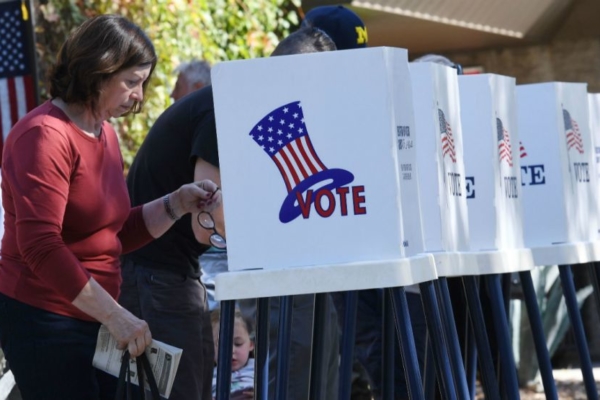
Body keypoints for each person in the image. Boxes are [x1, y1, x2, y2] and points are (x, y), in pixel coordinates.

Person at [0, 14, 221, 400]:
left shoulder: (104, 132)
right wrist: (116, 316)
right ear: (97, 70)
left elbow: (112, 233)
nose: (139, 95)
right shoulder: (44, 135)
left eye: (143, 83)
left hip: (95, 319)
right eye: (131, 82)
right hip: (44, 318)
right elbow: (40, 246)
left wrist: (177, 203)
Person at [121, 26, 337, 400]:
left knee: (196, 380)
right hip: (153, 271)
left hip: (167, 269)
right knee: (182, 389)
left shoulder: (238, 103)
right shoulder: (225, 108)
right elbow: (209, 219)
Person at [210, 309, 255, 400]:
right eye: (222, 344)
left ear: (251, 345)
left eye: (238, 343)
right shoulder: (206, 375)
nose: (231, 351)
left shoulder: (261, 369)